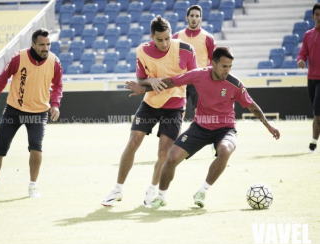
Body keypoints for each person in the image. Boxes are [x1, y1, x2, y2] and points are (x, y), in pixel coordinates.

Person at [125, 46, 280, 208]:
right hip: (200, 127)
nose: (227, 70)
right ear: (213, 63)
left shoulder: (235, 84)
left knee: (225, 150)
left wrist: (268, 125)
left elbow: (252, 106)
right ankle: (161, 197)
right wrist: (144, 88)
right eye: (224, 66)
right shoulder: (198, 74)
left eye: (230, 67)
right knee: (171, 159)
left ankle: (202, 191)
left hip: (225, 129)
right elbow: (171, 82)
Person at [101, 16, 198, 206]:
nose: (164, 43)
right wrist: (149, 81)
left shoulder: (186, 50)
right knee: (132, 142)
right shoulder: (142, 51)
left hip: (175, 106)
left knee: (164, 153)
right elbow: (141, 79)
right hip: (150, 104)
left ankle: (152, 191)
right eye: (159, 39)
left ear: (171, 34)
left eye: (167, 38)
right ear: (152, 37)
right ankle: (118, 189)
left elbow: (193, 78)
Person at [0, 28, 63, 199]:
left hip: (39, 112)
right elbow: (2, 79)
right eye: (42, 45)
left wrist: (55, 104)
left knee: (36, 146)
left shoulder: (55, 62)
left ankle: (33, 187)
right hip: (14, 111)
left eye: (48, 44)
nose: (46, 48)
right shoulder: (19, 58)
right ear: (33, 44)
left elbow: (58, 86)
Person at [173, 5, 216, 116]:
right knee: (178, 113)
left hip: (199, 81)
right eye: (191, 15)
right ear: (187, 18)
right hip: (181, 80)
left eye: (197, 16)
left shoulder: (208, 38)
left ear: (201, 19)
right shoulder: (177, 37)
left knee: (200, 113)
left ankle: (200, 133)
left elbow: (213, 62)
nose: (194, 18)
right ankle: (177, 133)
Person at [297, 3, 320, 153]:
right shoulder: (308, 35)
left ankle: (313, 145)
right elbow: (302, 52)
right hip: (310, 78)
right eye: (317, 15)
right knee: (317, 113)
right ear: (313, 17)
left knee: (317, 114)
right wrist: (300, 60)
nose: (319, 18)